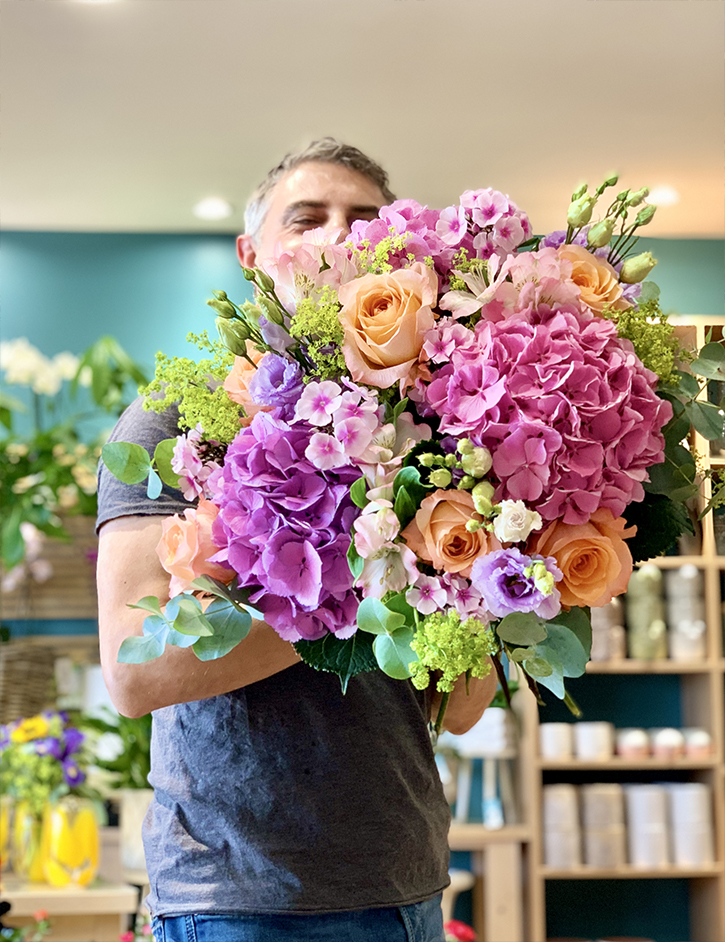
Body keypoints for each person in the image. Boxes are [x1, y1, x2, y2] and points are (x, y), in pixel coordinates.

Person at [96, 139, 498, 942]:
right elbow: (135, 674)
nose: (338, 235)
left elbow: (460, 707)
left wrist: (482, 574)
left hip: (406, 882)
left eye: (364, 220)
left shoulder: (433, 423)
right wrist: (364, 587)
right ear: (253, 255)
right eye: (306, 219)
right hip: (236, 896)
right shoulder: (170, 423)